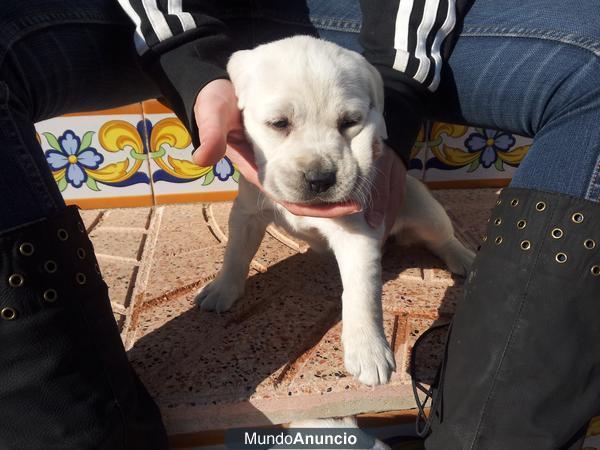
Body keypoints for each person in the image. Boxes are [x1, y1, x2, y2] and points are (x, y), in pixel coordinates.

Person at [0, 0, 598, 448]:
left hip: (347, 13)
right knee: (253, 209)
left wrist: (395, 84)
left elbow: (360, 208)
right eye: (279, 124)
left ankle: (491, 431)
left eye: (347, 125)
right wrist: (186, 57)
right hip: (175, 14)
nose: (319, 166)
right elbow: (248, 218)